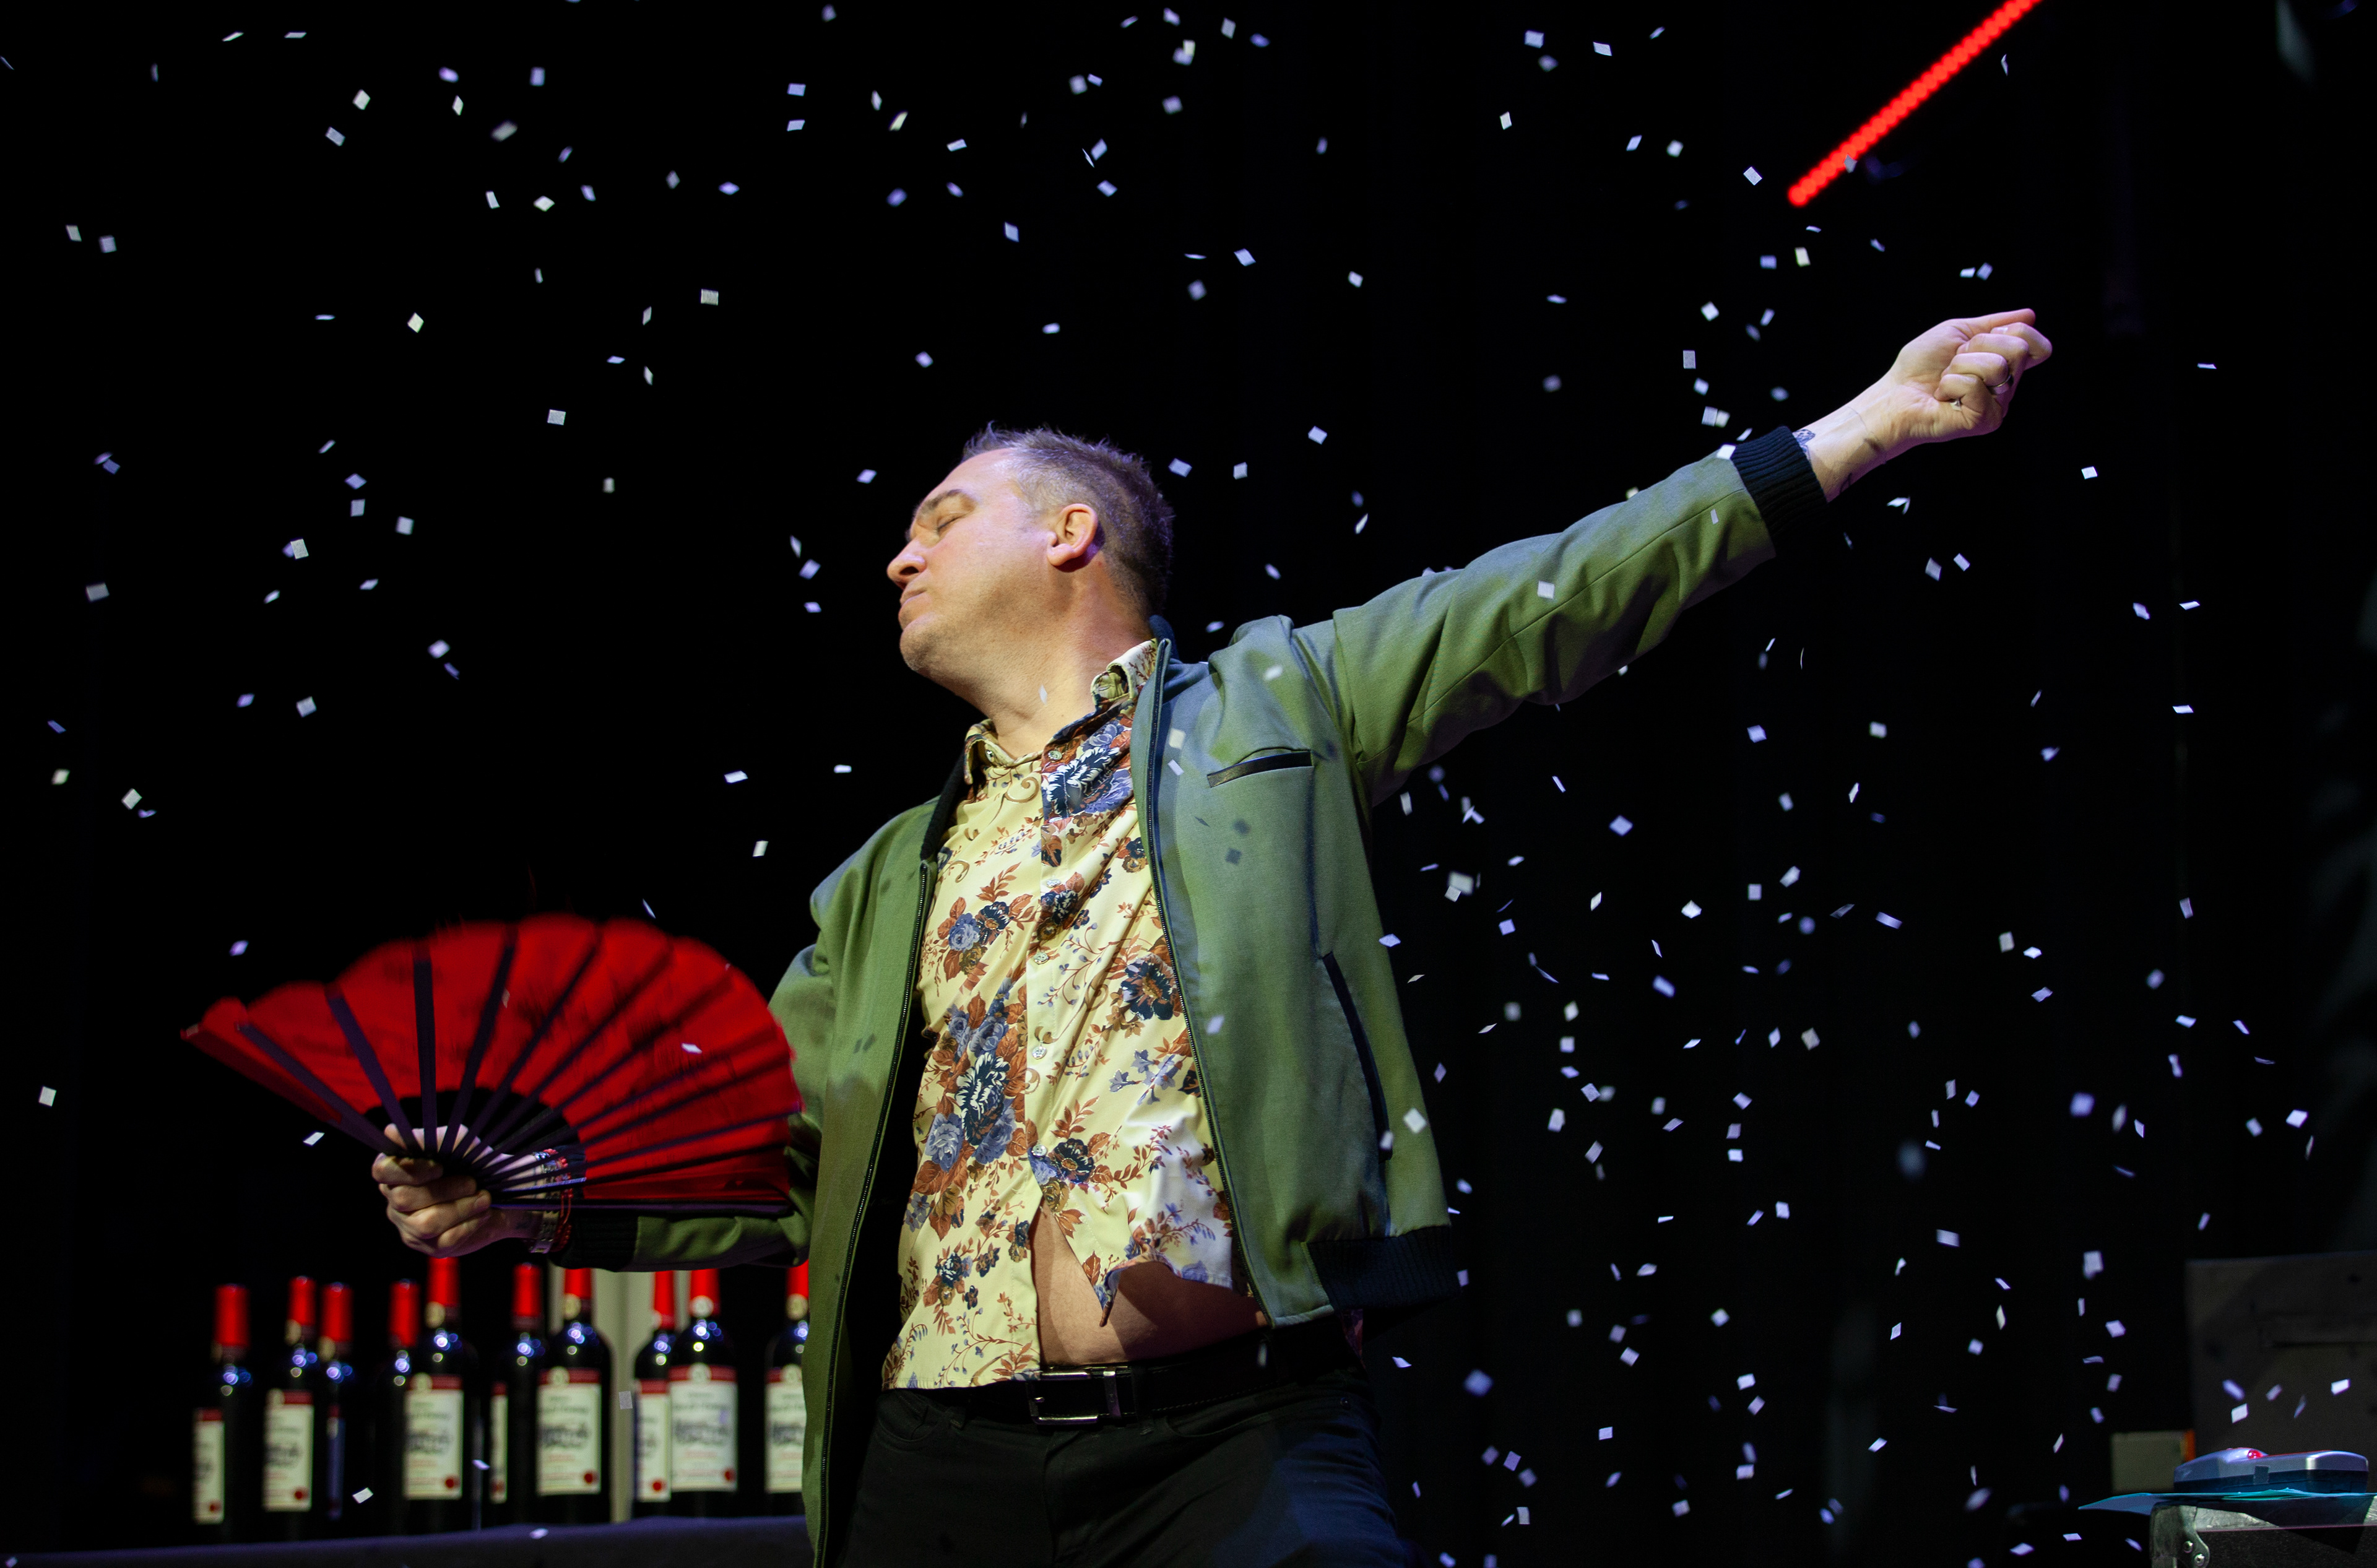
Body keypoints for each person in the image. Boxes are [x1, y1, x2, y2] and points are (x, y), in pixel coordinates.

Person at [376, 308, 2053, 1565]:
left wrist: (1864, 429)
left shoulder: (1277, 704)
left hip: (1229, 1441)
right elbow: (776, 1154)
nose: (899, 550)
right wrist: (531, 1201)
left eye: (944, 515)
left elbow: (1556, 594)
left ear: (1069, 533)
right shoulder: (887, 878)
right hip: (935, 1467)